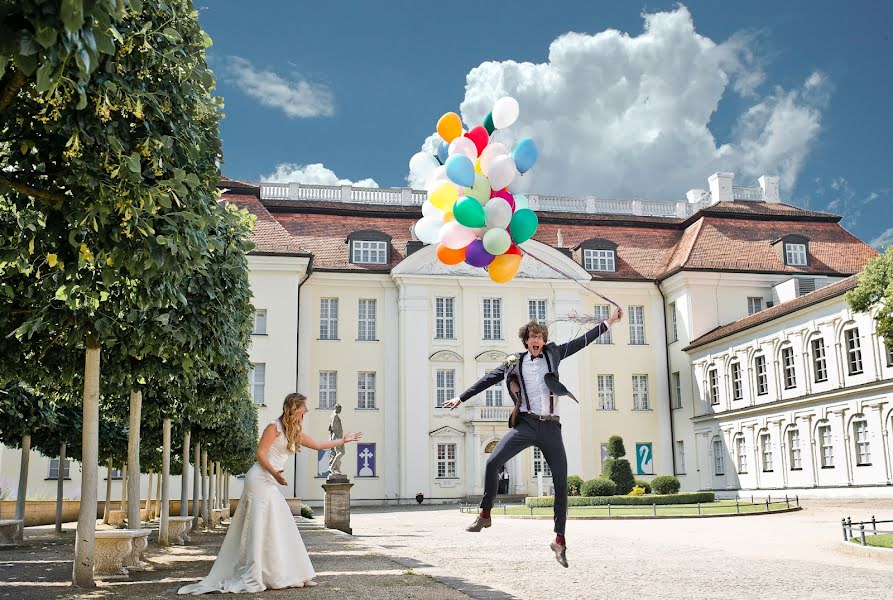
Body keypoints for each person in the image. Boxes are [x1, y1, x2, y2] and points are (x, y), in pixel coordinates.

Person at [444, 306, 622, 568]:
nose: (536, 340)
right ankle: (485, 514)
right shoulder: (514, 363)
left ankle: (559, 540)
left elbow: (582, 341)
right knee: (493, 463)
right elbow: (487, 380)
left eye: (539, 336)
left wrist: (609, 322)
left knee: (561, 483)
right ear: (525, 341)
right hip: (525, 424)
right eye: (532, 336)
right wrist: (460, 398)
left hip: (550, 428)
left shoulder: (554, 354)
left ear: (544, 340)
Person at [179, 393, 363, 594]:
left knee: (278, 522)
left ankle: (282, 572)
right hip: (259, 479)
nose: (307, 411)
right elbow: (260, 453)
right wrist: (275, 473)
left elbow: (319, 445)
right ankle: (254, 574)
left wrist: (344, 440)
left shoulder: (293, 432)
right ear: (294, 408)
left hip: (271, 479)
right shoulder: (273, 427)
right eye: (304, 407)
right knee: (258, 525)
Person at [328, 404, 345, 476]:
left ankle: (337, 469)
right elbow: (333, 427)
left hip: (336, 437)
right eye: (340, 408)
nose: (340, 410)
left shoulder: (333, 416)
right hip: (337, 437)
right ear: (336, 408)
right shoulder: (335, 416)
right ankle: (331, 468)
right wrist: (340, 437)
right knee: (341, 452)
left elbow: (330, 428)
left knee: (338, 453)